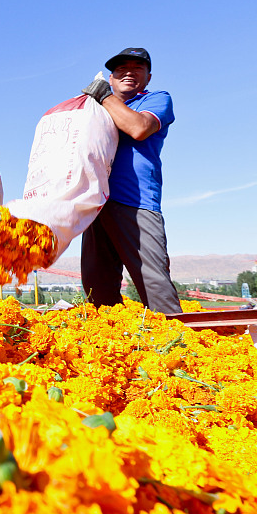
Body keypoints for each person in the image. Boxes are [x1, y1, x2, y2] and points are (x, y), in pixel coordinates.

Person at [79, 48, 182, 314]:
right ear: (111, 78)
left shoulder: (156, 99)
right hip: (97, 204)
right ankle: (114, 348)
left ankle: (178, 346)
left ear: (148, 77)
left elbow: (138, 128)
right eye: (120, 69)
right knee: (96, 285)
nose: (128, 72)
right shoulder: (96, 110)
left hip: (134, 202)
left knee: (153, 283)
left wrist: (104, 96)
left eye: (137, 68)